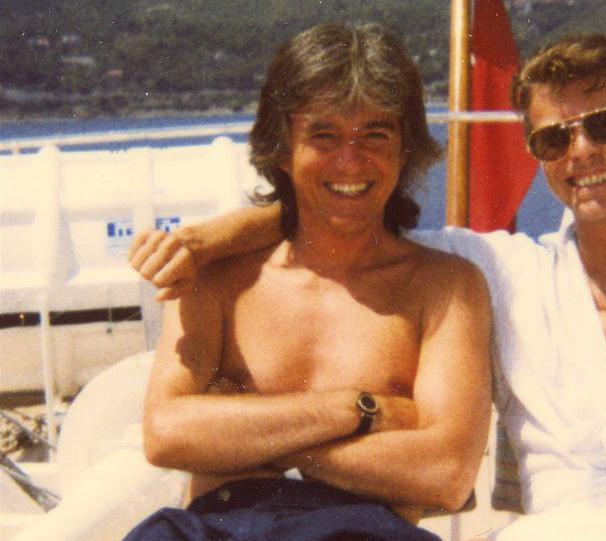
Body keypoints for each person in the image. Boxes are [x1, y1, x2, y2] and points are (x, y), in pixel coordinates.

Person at [130, 34, 606, 540]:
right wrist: (209, 239)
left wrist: (251, 438)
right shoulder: (507, 273)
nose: (581, 152)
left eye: (603, 125)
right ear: (536, 154)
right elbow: (343, 208)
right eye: (552, 137)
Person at [124, 22, 493, 541]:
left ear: (404, 151)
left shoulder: (444, 288)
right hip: (214, 528)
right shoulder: (217, 277)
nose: (351, 159)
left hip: (365, 532)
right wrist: (358, 410)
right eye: (324, 134)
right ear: (281, 149)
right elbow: (165, 435)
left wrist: (244, 428)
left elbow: (447, 474)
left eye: (376, 134)